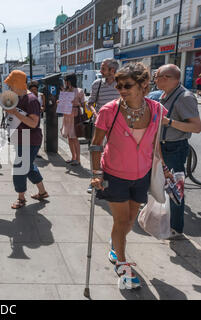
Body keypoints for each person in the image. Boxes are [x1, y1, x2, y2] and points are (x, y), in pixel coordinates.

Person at [91, 62, 172, 289]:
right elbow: (96, 145)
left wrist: (163, 168)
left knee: (129, 221)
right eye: (119, 86)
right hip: (114, 175)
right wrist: (97, 173)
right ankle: (123, 267)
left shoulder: (156, 109)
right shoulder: (109, 110)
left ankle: (115, 244)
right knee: (121, 220)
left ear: (143, 84)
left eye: (127, 85)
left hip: (142, 176)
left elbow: (155, 145)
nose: (122, 90)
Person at [155, 64, 201, 239]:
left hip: (174, 148)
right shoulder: (165, 94)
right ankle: (167, 221)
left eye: (157, 76)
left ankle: (176, 229)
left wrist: (169, 122)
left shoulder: (185, 97)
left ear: (167, 78)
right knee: (163, 185)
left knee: (175, 189)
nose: (155, 79)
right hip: (162, 146)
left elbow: (196, 127)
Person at [3, 70, 48, 209]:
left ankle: (21, 199)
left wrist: (14, 112)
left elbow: (34, 123)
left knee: (20, 168)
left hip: (30, 139)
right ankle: (42, 192)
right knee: (28, 166)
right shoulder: (19, 97)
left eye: (11, 84)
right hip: (22, 138)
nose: (9, 87)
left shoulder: (31, 100)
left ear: (18, 84)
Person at [86, 58, 120, 192]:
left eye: (103, 68)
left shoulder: (121, 84)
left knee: (114, 153)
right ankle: (94, 179)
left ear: (113, 70)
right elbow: (90, 102)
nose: (101, 71)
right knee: (96, 150)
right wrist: (96, 114)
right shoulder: (97, 84)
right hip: (100, 123)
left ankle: (111, 179)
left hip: (117, 125)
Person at [60, 73, 85, 166]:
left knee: (74, 138)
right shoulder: (64, 90)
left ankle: (78, 159)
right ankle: (73, 157)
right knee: (70, 138)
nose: (65, 82)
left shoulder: (79, 91)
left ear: (70, 81)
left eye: (66, 80)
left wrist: (76, 103)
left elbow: (83, 104)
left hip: (74, 115)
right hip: (67, 115)